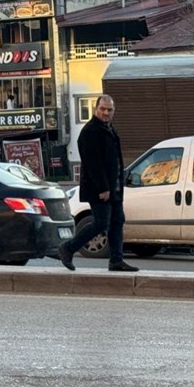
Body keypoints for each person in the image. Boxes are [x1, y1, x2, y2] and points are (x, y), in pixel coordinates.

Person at [57, 95, 138, 272]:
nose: (106, 112)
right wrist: (103, 188)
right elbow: (92, 163)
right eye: (103, 109)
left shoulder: (108, 129)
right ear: (96, 109)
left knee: (117, 221)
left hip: (114, 187)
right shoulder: (90, 131)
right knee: (101, 223)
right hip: (101, 188)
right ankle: (68, 248)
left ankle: (116, 260)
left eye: (109, 110)